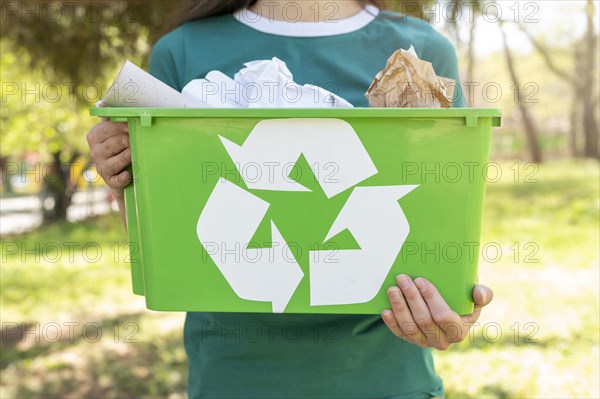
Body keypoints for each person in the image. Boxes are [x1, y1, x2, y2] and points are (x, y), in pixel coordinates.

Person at [86, 1, 494, 397]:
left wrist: (450, 312)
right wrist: (123, 173)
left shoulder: (420, 51)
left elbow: (441, 233)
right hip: (233, 379)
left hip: (385, 379)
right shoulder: (182, 51)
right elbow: (171, 245)